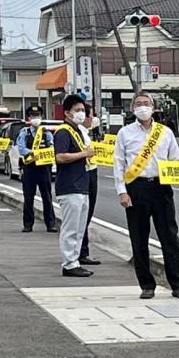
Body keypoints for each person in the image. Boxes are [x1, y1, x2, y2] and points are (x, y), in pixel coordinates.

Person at [112, 92, 179, 299]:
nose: (143, 107)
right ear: (132, 109)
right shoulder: (125, 133)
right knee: (139, 238)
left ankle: (178, 284)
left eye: (146, 104)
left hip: (161, 187)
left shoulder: (165, 132)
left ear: (154, 108)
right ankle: (147, 284)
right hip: (136, 188)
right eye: (138, 104)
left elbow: (176, 160)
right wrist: (122, 192)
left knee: (170, 237)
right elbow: (118, 164)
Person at [52, 94, 95, 278]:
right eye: (77, 110)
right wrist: (83, 154)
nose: (81, 113)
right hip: (69, 187)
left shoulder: (77, 131)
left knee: (79, 228)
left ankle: (75, 261)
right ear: (67, 112)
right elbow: (60, 156)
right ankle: (68, 263)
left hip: (81, 185)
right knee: (70, 228)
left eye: (83, 111)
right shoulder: (63, 132)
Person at [16, 106, 57, 233]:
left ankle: (50, 224)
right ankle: (28, 224)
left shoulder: (46, 133)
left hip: (44, 168)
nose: (35, 118)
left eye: (37, 116)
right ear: (28, 118)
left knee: (47, 196)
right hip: (29, 168)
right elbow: (21, 148)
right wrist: (33, 153)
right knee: (28, 197)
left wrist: (45, 153)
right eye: (33, 116)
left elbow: (53, 147)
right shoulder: (24, 132)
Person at [77, 102, 104, 268]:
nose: (93, 119)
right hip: (86, 173)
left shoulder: (85, 132)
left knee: (87, 213)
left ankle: (83, 251)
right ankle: (81, 252)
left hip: (91, 171)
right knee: (83, 215)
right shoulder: (78, 132)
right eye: (91, 115)